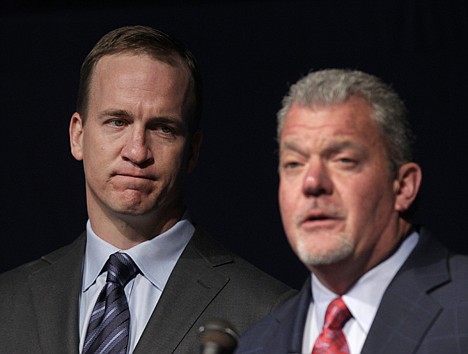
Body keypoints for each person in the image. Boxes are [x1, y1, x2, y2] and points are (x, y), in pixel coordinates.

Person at [0, 25, 295, 354]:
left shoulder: (272, 316)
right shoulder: (8, 302)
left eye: (162, 128)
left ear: (193, 151)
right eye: (117, 121)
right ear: (77, 136)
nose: (137, 151)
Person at [236, 69, 468, 353]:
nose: (312, 183)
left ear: (403, 186)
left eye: (343, 160)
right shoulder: (253, 346)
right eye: (294, 164)